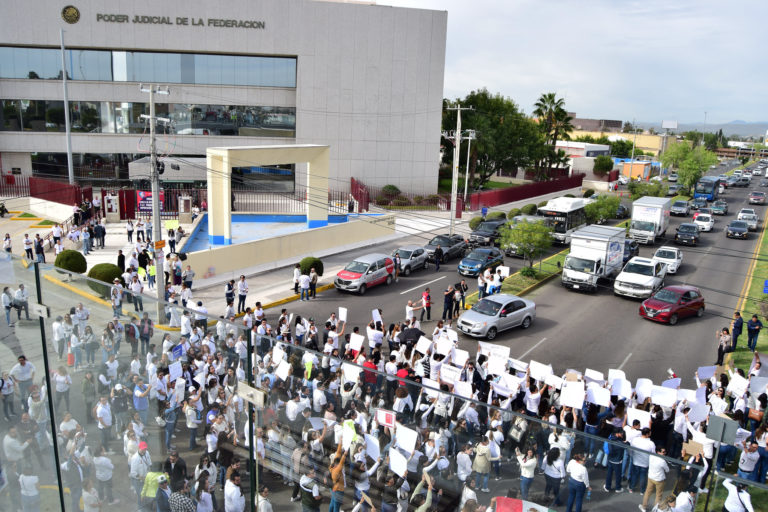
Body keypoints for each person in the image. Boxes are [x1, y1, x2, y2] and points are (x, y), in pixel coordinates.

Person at [641, 446, 669, 512]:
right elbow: (667, 470)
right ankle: (655, 510)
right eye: (663, 452)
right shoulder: (662, 461)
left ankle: (644, 507)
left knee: (647, 492)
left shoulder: (651, 456)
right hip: (659, 480)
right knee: (658, 495)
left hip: (650, 477)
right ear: (658, 452)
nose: (665, 453)